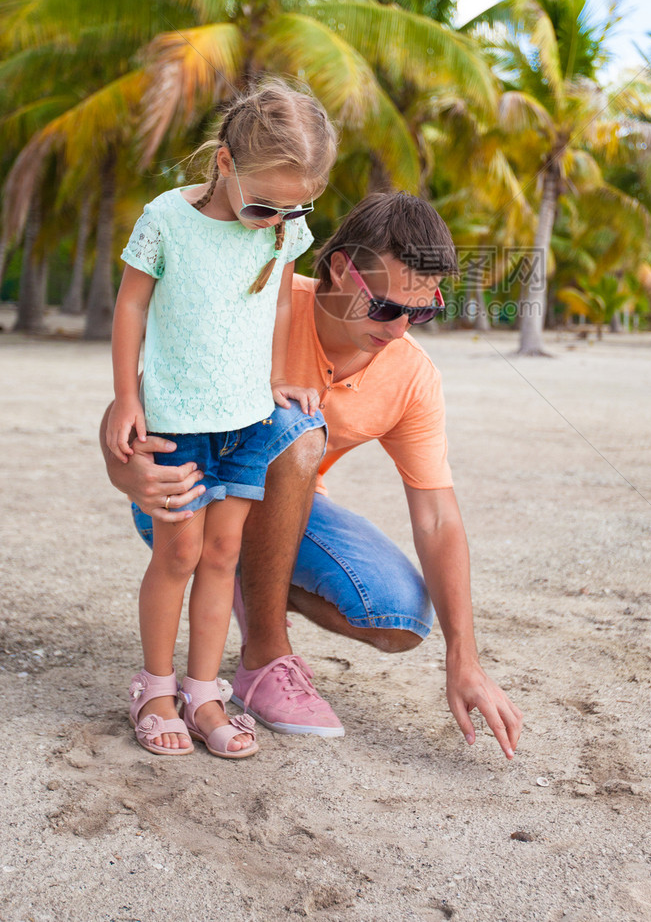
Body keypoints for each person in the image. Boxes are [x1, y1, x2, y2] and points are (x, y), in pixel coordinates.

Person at [103, 193, 523, 759]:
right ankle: (262, 657)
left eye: (420, 312)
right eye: (384, 308)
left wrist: (464, 657)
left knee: (399, 618)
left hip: (283, 508)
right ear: (337, 269)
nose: (399, 328)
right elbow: (150, 393)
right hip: (188, 490)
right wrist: (124, 473)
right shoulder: (264, 296)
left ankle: (248, 588)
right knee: (300, 429)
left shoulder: (413, 375)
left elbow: (437, 516)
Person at [107, 81, 336, 760]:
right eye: (265, 204)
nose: (276, 221)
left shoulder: (284, 226)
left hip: (247, 420)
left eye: (297, 207)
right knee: (177, 551)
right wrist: (126, 398)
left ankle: (204, 692)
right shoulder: (166, 219)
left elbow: (287, 304)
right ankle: (153, 687)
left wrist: (281, 376)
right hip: (175, 419)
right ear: (226, 164)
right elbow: (130, 310)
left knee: (222, 556)